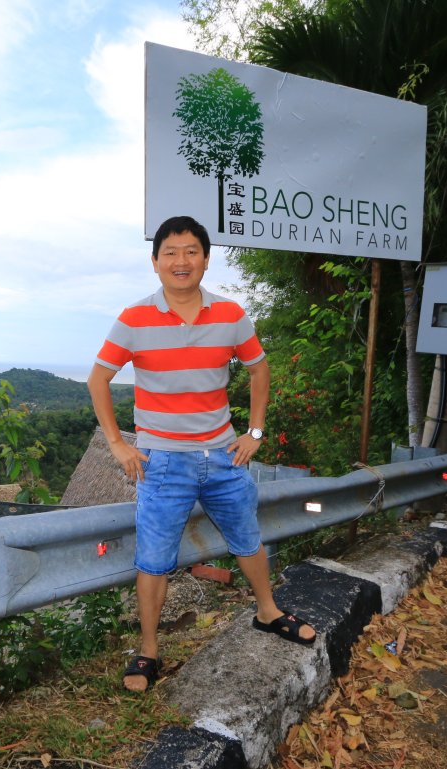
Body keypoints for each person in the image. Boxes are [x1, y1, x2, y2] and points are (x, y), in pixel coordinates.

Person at [87, 215, 316, 693]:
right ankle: (149, 650)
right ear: (155, 263)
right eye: (170, 252)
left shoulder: (231, 315)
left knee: (247, 538)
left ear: (206, 259)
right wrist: (117, 443)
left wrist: (254, 431)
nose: (181, 261)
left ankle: (267, 611)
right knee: (154, 559)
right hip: (162, 460)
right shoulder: (134, 319)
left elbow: (259, 370)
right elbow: (98, 380)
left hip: (222, 454)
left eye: (191, 251)